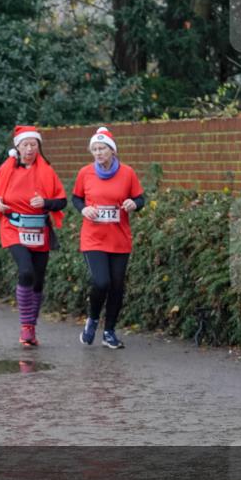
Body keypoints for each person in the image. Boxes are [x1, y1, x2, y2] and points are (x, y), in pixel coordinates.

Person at [0, 125, 67, 347]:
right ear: (18, 147)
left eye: (33, 144)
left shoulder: (47, 171)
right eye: (25, 145)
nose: (30, 149)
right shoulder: (7, 168)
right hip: (13, 227)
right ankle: (25, 326)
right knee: (26, 271)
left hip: (39, 230)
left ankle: (31, 326)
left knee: (38, 280)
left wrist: (46, 202)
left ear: (38, 146)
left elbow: (62, 201)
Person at [72, 127, 145, 349]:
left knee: (116, 286)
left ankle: (109, 332)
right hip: (93, 238)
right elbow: (76, 198)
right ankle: (93, 319)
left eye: (102, 148)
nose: (98, 153)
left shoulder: (127, 173)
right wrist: (84, 209)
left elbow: (140, 199)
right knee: (101, 282)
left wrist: (133, 204)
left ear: (112, 150)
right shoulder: (85, 173)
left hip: (119, 239)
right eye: (94, 149)